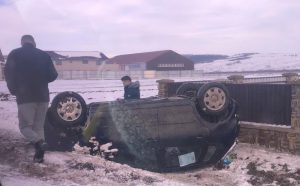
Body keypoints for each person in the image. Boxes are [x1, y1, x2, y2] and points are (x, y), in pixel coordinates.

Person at [4, 35, 58, 163]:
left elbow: (8, 73)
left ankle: (39, 142)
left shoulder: (15, 54)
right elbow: (53, 75)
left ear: (22, 42)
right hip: (43, 96)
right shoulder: (44, 55)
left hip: (25, 97)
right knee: (39, 127)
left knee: (24, 127)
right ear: (34, 43)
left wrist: (14, 90)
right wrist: (42, 79)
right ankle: (40, 156)